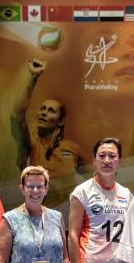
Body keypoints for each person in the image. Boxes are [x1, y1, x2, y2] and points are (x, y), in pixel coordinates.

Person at [68, 137, 133, 263]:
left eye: (112, 156)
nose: (107, 160)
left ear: (119, 161)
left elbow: (130, 237)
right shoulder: (82, 191)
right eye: (102, 156)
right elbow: (72, 235)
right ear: (94, 160)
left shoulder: (126, 194)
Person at [12, 58, 84, 207]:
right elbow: (16, 116)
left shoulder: (72, 148)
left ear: (61, 120)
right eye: (42, 109)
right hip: (37, 211)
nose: (44, 113)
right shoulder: (31, 144)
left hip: (68, 212)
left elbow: (92, 178)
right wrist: (33, 79)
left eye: (51, 111)